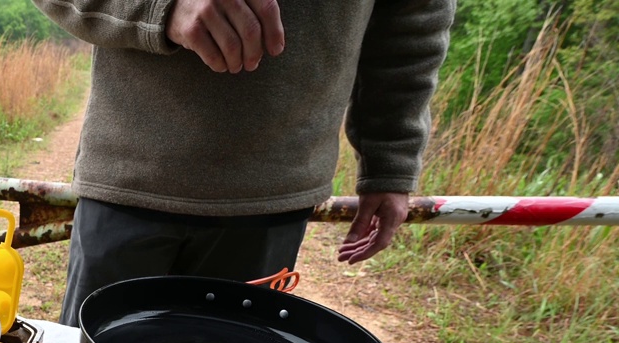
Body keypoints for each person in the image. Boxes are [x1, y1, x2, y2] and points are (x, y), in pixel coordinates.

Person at [34, 0, 456, 326]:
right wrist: (163, 7)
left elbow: (413, 23)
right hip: (129, 185)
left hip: (274, 199)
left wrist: (392, 161)